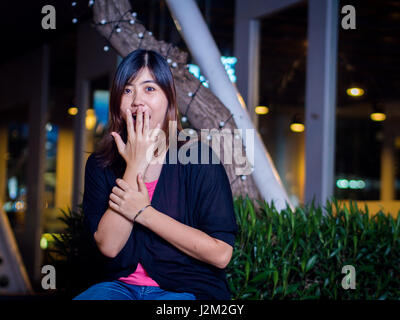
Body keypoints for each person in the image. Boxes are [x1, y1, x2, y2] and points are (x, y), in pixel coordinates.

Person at [73, 49, 238, 300]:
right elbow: (109, 246)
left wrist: (143, 213)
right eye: (128, 90)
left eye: (149, 89)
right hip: (118, 288)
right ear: (118, 100)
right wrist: (135, 164)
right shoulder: (100, 164)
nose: (137, 99)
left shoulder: (199, 160)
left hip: (185, 289)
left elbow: (221, 254)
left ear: (168, 99)